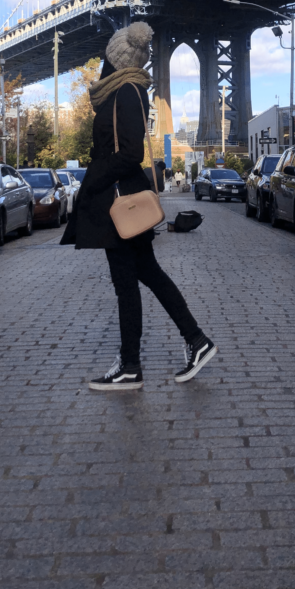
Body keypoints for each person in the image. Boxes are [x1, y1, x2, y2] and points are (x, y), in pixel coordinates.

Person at [61, 21, 218, 390]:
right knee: (146, 274)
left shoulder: (126, 93)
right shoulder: (125, 91)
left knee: (127, 284)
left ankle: (133, 365)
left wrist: (91, 183)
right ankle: (195, 342)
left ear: (114, 58)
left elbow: (129, 153)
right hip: (124, 200)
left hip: (120, 205)